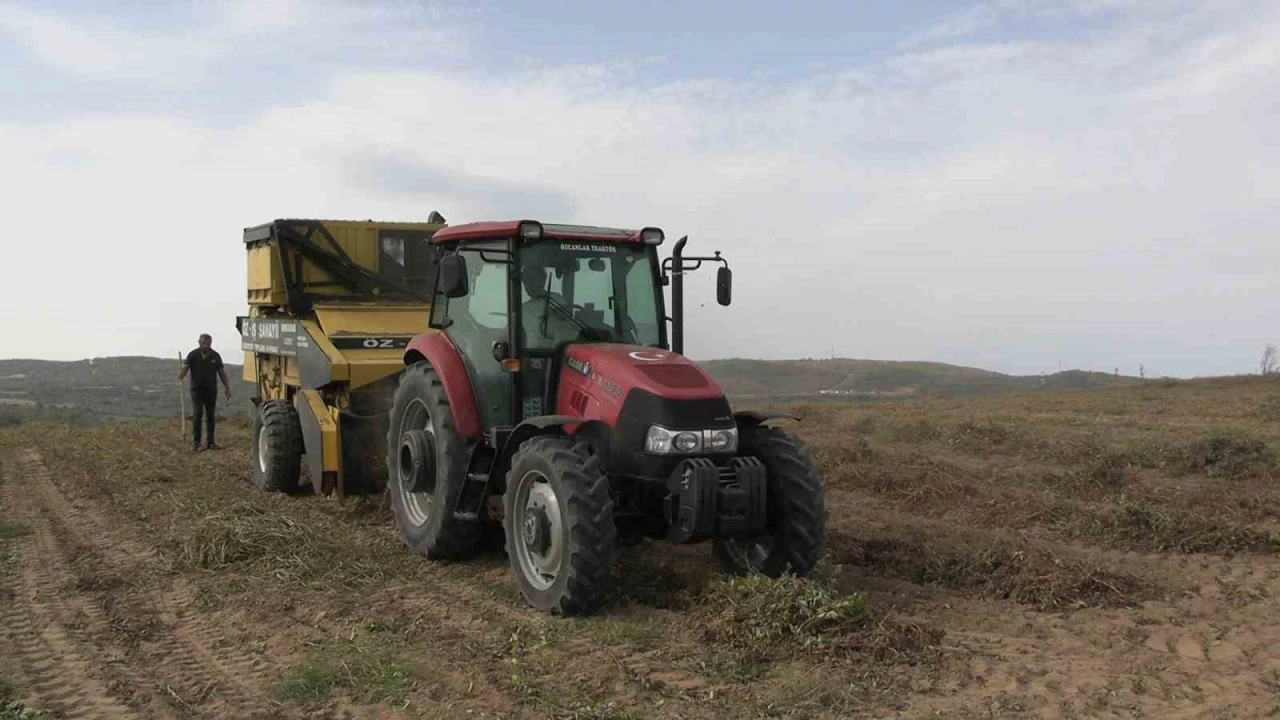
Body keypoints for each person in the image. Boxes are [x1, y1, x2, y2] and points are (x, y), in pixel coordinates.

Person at [178, 333, 231, 452]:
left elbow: (222, 373)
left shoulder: (216, 356)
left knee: (211, 416)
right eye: (203, 343)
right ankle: (196, 444)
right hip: (196, 390)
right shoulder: (193, 355)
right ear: (199, 342)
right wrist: (182, 374)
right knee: (197, 414)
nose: (205, 345)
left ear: (210, 343)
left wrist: (227, 387)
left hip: (211, 390)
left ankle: (211, 443)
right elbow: (185, 368)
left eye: (208, 343)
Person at [519, 264, 581, 347]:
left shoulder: (556, 300)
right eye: (526, 280)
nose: (528, 284)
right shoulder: (522, 309)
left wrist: (551, 315)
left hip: (554, 351)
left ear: (543, 279)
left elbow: (566, 325)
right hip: (530, 354)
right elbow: (507, 333)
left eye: (532, 279)